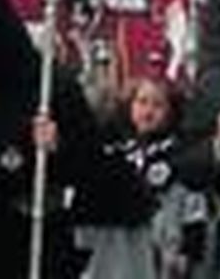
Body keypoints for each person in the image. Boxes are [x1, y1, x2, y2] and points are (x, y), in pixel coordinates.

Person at [77, 77, 207, 279]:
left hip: (163, 249)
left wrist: (188, 252)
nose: (148, 111)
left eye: (158, 105)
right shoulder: (113, 149)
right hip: (116, 253)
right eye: (142, 102)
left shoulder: (180, 155)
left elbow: (194, 208)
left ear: (170, 111)